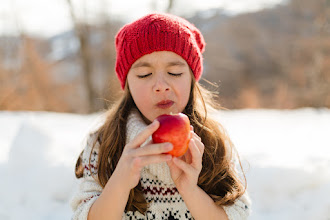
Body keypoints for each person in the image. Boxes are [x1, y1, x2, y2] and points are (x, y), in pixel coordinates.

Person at [70, 13, 251, 220]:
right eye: (144, 75)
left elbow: (238, 215)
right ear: (127, 83)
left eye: (174, 72)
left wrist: (190, 191)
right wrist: (119, 182)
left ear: (192, 79)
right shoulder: (104, 144)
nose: (161, 86)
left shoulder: (212, 142)